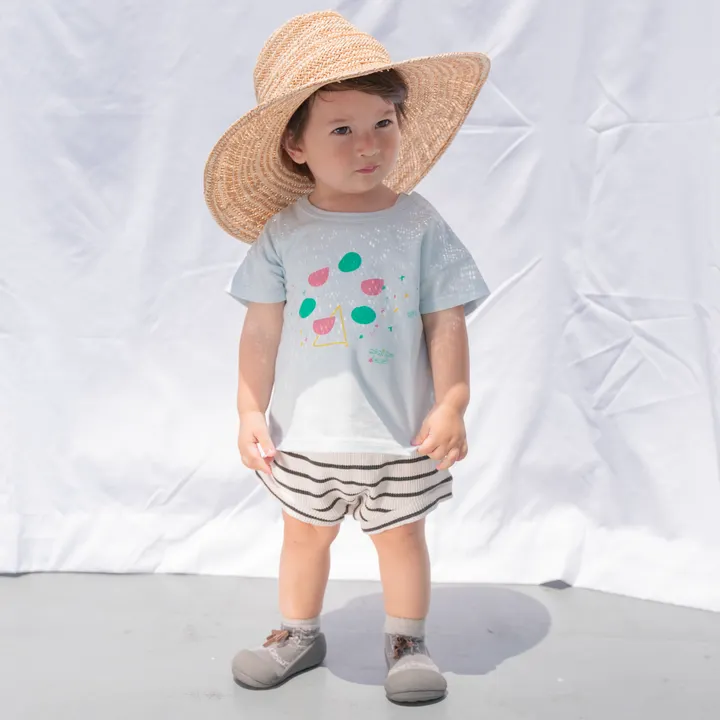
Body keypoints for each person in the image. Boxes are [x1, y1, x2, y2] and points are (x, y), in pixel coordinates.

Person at [203, 9, 492, 705]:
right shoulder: (285, 232)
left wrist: (453, 402)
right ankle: (298, 633)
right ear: (295, 145)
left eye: (383, 123)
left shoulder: (419, 223)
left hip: (402, 436)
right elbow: (261, 331)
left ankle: (407, 640)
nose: (369, 144)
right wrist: (249, 409)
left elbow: (445, 320)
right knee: (303, 537)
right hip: (304, 438)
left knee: (402, 540)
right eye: (341, 130)